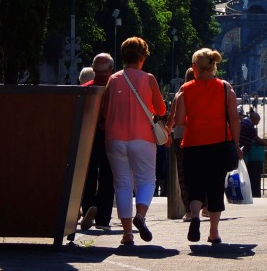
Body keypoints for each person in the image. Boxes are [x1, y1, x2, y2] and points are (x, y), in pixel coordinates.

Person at [175, 47, 243, 245]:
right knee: (215, 187)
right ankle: (213, 232)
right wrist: (236, 144)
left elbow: (180, 121)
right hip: (219, 144)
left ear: (195, 67)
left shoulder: (185, 90)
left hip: (193, 144)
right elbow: (234, 119)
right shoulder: (224, 87)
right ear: (213, 66)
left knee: (195, 185)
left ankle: (195, 216)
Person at [103, 36, 167, 246]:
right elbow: (161, 110)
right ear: (143, 57)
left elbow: (104, 109)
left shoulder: (113, 80)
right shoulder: (148, 79)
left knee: (122, 184)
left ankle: (127, 234)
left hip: (114, 138)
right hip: (142, 138)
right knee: (147, 180)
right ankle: (141, 215)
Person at [79, 53, 116, 231]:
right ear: (111, 70)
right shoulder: (117, 90)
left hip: (89, 137)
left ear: (93, 70)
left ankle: (88, 208)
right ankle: (104, 218)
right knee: (108, 177)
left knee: (89, 174)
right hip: (111, 136)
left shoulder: (85, 89)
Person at [167, 67, 196, 220]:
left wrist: (167, 132)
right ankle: (203, 206)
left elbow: (172, 119)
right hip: (199, 136)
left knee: (184, 174)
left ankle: (190, 210)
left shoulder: (180, 94)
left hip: (181, 137)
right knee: (200, 172)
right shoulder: (202, 93)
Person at [240, 108, 266, 197]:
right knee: (244, 171)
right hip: (244, 151)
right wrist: (265, 143)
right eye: (258, 120)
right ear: (254, 118)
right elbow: (256, 138)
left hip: (244, 149)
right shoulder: (249, 124)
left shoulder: (245, 122)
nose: (258, 123)